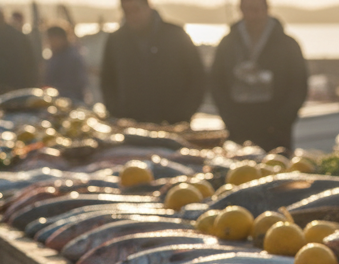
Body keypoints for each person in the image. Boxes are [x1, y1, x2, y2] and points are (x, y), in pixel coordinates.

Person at [210, 0, 308, 151]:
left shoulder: (287, 44)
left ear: (267, 9)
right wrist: (228, 117)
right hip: (238, 125)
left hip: (277, 128)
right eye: (248, 9)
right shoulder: (228, 43)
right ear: (240, 10)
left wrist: (284, 118)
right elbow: (216, 81)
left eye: (257, 9)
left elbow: (299, 84)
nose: (253, 15)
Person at [99, 0, 205, 124]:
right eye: (127, 11)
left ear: (148, 6)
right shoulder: (115, 40)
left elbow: (198, 77)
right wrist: (116, 111)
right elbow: (107, 80)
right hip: (130, 126)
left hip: (173, 125)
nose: (132, 16)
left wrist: (184, 113)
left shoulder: (176, 35)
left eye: (136, 9)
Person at [0, 6, 38, 94]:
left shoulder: (17, 36)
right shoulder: (15, 35)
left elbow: (28, 59)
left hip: (17, 80)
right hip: (4, 81)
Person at [43, 23, 89, 103]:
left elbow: (76, 85)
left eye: (52, 39)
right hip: (57, 100)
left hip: (71, 102)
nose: (49, 42)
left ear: (62, 38)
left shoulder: (71, 57)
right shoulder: (55, 56)